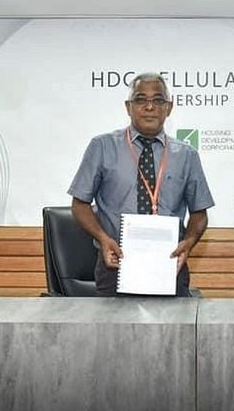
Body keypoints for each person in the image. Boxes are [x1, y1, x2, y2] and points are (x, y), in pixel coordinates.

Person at [69, 72, 214, 297]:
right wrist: (104, 239)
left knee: (173, 323)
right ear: (128, 107)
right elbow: (79, 204)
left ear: (169, 107)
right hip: (116, 264)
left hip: (170, 265)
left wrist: (189, 242)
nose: (149, 107)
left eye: (158, 100)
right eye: (140, 99)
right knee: (113, 323)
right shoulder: (102, 147)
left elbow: (199, 213)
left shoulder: (187, 155)